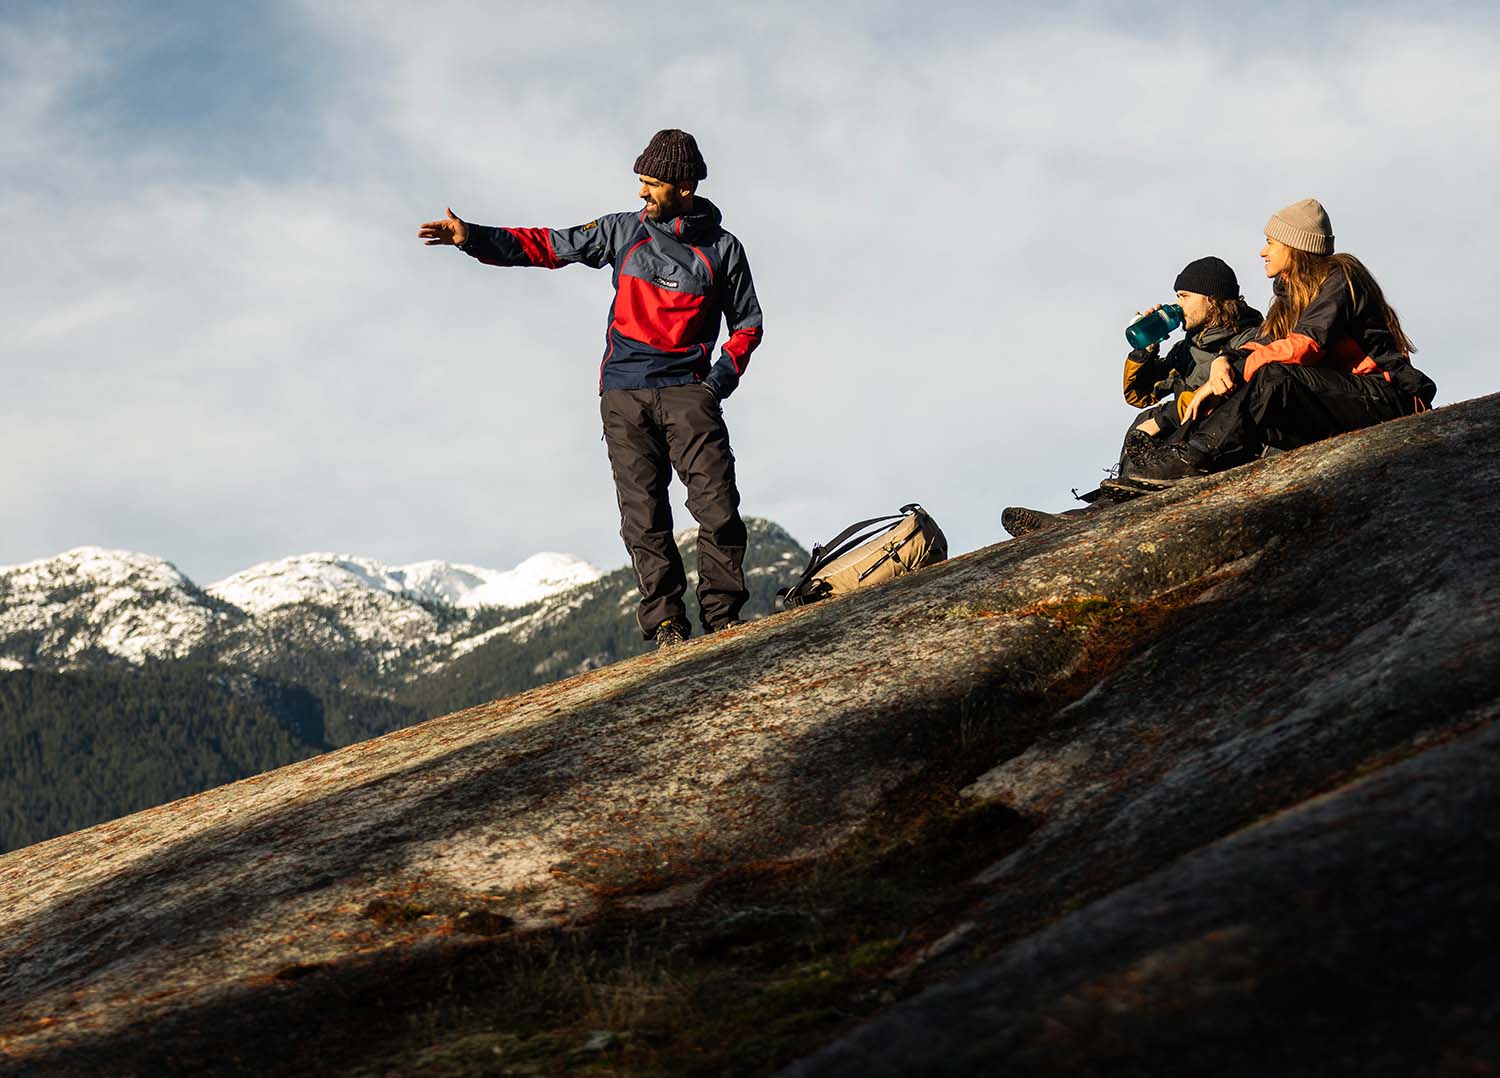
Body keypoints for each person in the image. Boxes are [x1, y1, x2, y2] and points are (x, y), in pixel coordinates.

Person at [418, 129, 764, 648]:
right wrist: (473, 236)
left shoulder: (723, 250)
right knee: (643, 517)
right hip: (624, 395)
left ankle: (722, 622)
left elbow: (748, 326)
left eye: (650, 184)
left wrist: (715, 384)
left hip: (690, 394)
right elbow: (549, 245)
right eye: (640, 183)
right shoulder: (621, 231)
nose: (641, 194)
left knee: (717, 508)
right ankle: (668, 625)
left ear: (685, 186)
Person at [1121, 199, 1435, 488]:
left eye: (1270, 243)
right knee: (1245, 381)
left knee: (1272, 377)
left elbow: (1306, 344)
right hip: (1336, 399)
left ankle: (1191, 459)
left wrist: (1235, 366)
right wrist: (1225, 362)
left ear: (1294, 246)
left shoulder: (1341, 277)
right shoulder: (1288, 298)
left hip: (1385, 394)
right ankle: (1159, 465)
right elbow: (1264, 344)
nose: (1262, 252)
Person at [1001, 256, 1261, 538]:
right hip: (1180, 440)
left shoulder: (1248, 338)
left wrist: (1163, 419)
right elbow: (1140, 394)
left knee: (1149, 421)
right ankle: (1083, 516)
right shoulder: (1188, 347)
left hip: (1214, 448)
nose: (1178, 304)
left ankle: (1087, 516)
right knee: (1145, 418)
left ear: (1212, 299)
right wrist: (1145, 350)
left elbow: (1233, 396)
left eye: (1184, 296)